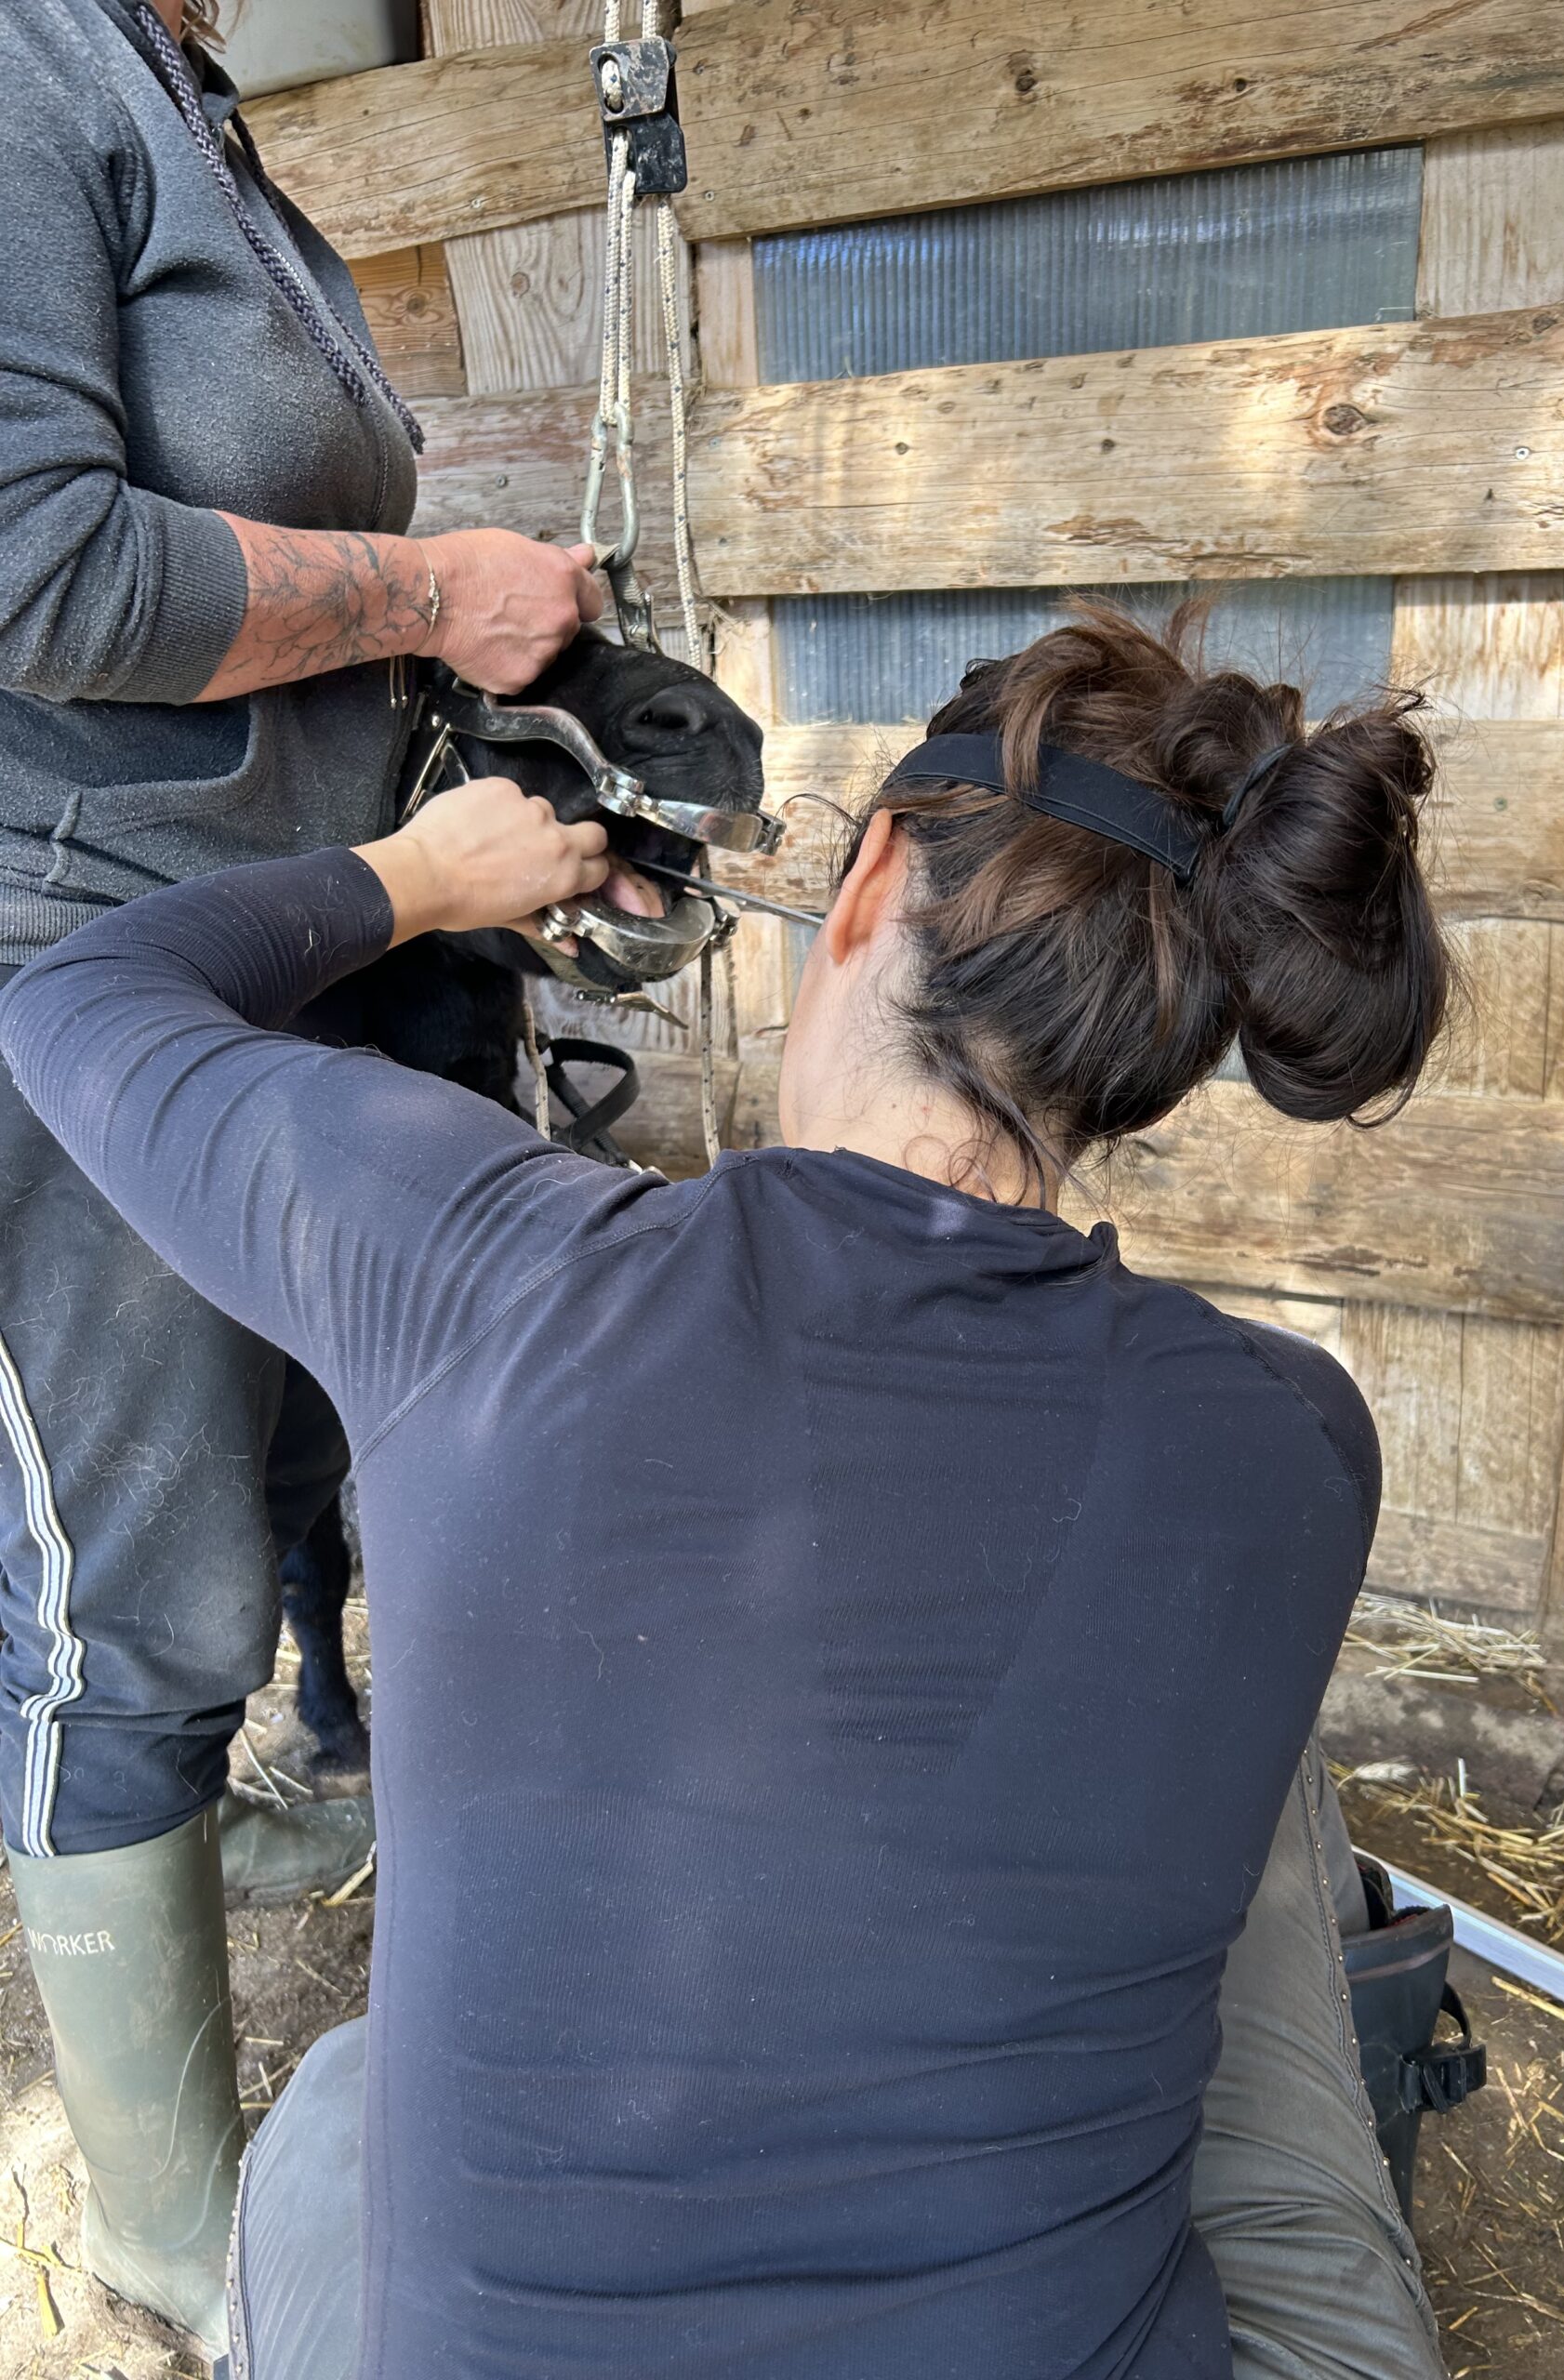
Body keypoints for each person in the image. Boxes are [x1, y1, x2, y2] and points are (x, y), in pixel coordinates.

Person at [1, 603, 1453, 2378]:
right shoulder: (1296, 1441)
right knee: (1260, 1764)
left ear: (865, 888)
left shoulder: (487, 1272)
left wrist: (416, 876)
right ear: (1169, 1038)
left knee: (337, 2109)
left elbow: (71, 998)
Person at [0, 0, 605, 2347]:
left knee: (272, 1460)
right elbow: (35, 568)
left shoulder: (173, 94)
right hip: (82, 958)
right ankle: (165, 2233)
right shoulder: (26, 61)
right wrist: (431, 592)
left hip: (288, 918)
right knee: (124, 1565)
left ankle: (206, 1808)